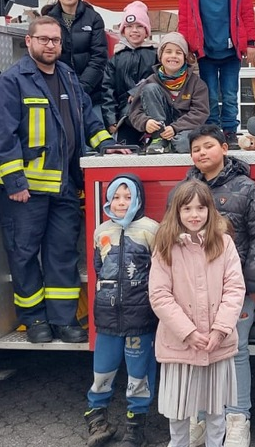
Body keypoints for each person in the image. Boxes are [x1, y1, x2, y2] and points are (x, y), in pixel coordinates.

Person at [0, 17, 113, 344]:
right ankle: (35, 320)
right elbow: (2, 135)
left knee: (62, 254)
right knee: (24, 255)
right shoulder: (13, 81)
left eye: (55, 40)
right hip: (25, 190)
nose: (50, 45)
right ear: (29, 42)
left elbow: (87, 119)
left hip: (64, 186)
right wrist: (15, 183)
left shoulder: (68, 76)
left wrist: (106, 146)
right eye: (43, 39)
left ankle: (64, 319)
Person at [181, 124, 255, 447]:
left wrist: (254, 282)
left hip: (235, 288)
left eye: (208, 146)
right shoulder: (186, 187)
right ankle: (202, 419)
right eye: (196, 149)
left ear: (224, 147)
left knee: (234, 352)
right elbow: (171, 234)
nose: (201, 153)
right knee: (198, 352)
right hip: (193, 289)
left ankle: (238, 419)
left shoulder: (247, 188)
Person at [150, 179, 247, 447]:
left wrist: (220, 329)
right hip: (180, 344)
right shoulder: (165, 246)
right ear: (176, 212)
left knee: (217, 410)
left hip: (217, 343)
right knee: (179, 412)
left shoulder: (224, 243)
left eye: (201, 208)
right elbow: (159, 295)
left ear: (210, 210)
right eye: (187, 209)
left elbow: (235, 288)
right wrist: (188, 332)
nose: (195, 215)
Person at [85, 174, 161, 447]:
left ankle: (135, 424)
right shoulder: (101, 231)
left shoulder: (151, 230)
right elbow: (98, 268)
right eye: (116, 197)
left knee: (139, 373)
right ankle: (97, 420)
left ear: (139, 199)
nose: (121, 202)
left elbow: (160, 272)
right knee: (102, 371)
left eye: (128, 197)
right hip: (106, 317)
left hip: (140, 319)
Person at [177, 0, 255, 138]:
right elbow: (185, 17)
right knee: (210, 94)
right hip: (206, 51)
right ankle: (213, 131)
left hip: (231, 51)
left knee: (231, 94)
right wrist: (186, 46)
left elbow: (247, 13)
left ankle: (230, 131)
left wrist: (250, 42)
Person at [126, 32, 211, 155]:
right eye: (168, 51)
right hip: (159, 128)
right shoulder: (150, 81)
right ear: (160, 56)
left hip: (184, 129)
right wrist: (146, 122)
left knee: (184, 144)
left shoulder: (197, 84)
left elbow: (200, 112)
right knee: (150, 89)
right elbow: (135, 112)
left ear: (185, 57)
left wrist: (175, 128)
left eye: (178, 52)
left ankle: (168, 142)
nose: (173, 56)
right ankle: (158, 139)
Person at [42, 0, 109, 110]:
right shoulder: (47, 20)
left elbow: (99, 58)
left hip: (91, 94)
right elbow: (44, 56)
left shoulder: (94, 18)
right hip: (57, 92)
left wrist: (81, 89)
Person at [102, 0, 158, 144]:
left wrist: (137, 91)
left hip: (152, 116)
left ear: (146, 30)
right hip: (124, 118)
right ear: (123, 30)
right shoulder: (116, 58)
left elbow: (160, 78)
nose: (134, 30)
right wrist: (111, 119)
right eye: (129, 27)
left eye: (140, 26)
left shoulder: (155, 54)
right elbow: (108, 90)